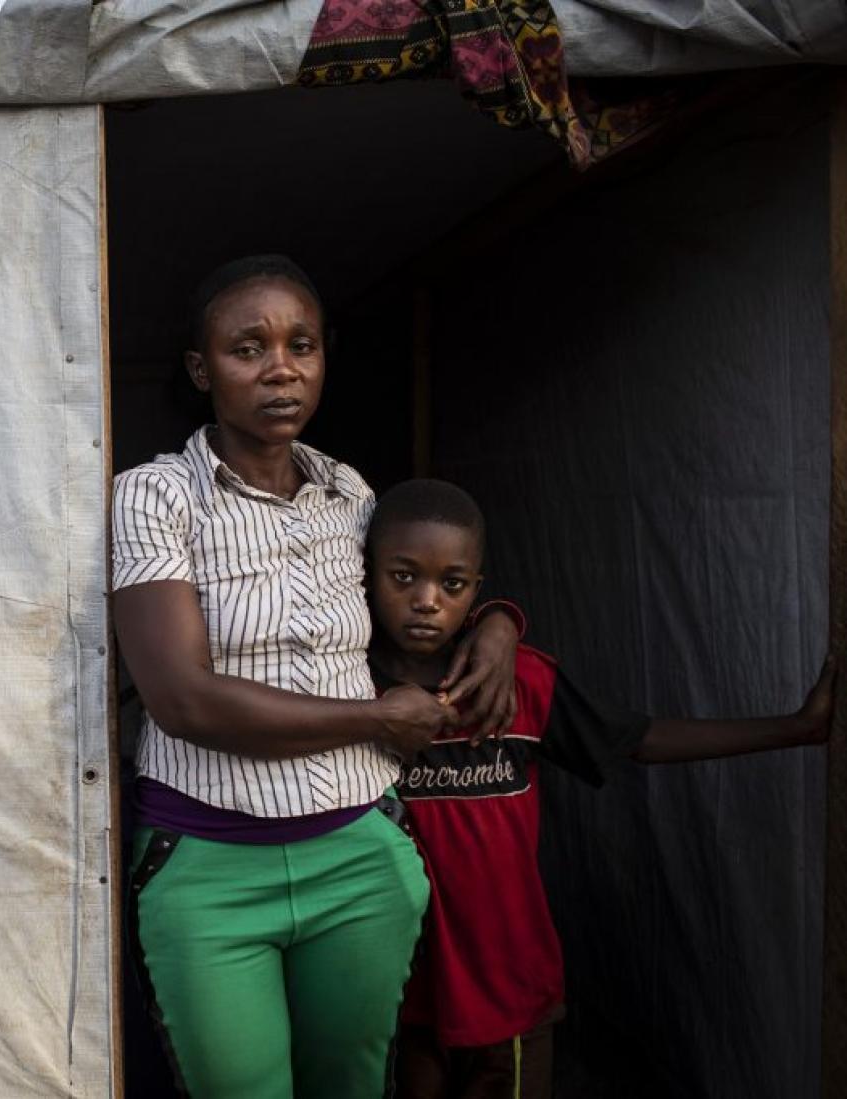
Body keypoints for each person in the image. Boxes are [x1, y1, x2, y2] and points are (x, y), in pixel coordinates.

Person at [111, 255, 524, 1099]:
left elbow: (428, 582)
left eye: (302, 344)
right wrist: (374, 720)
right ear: (201, 370)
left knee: (351, 1084)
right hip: (209, 862)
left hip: (359, 857)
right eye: (247, 348)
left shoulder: (352, 495)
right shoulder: (156, 496)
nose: (281, 368)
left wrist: (500, 621)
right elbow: (181, 698)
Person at [362, 478, 836, 1099]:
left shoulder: (523, 684)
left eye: (452, 585)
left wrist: (794, 729)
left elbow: (639, 737)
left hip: (509, 988)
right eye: (403, 578)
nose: (427, 601)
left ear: (476, 588)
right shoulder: (345, 688)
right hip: (393, 989)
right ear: (365, 575)